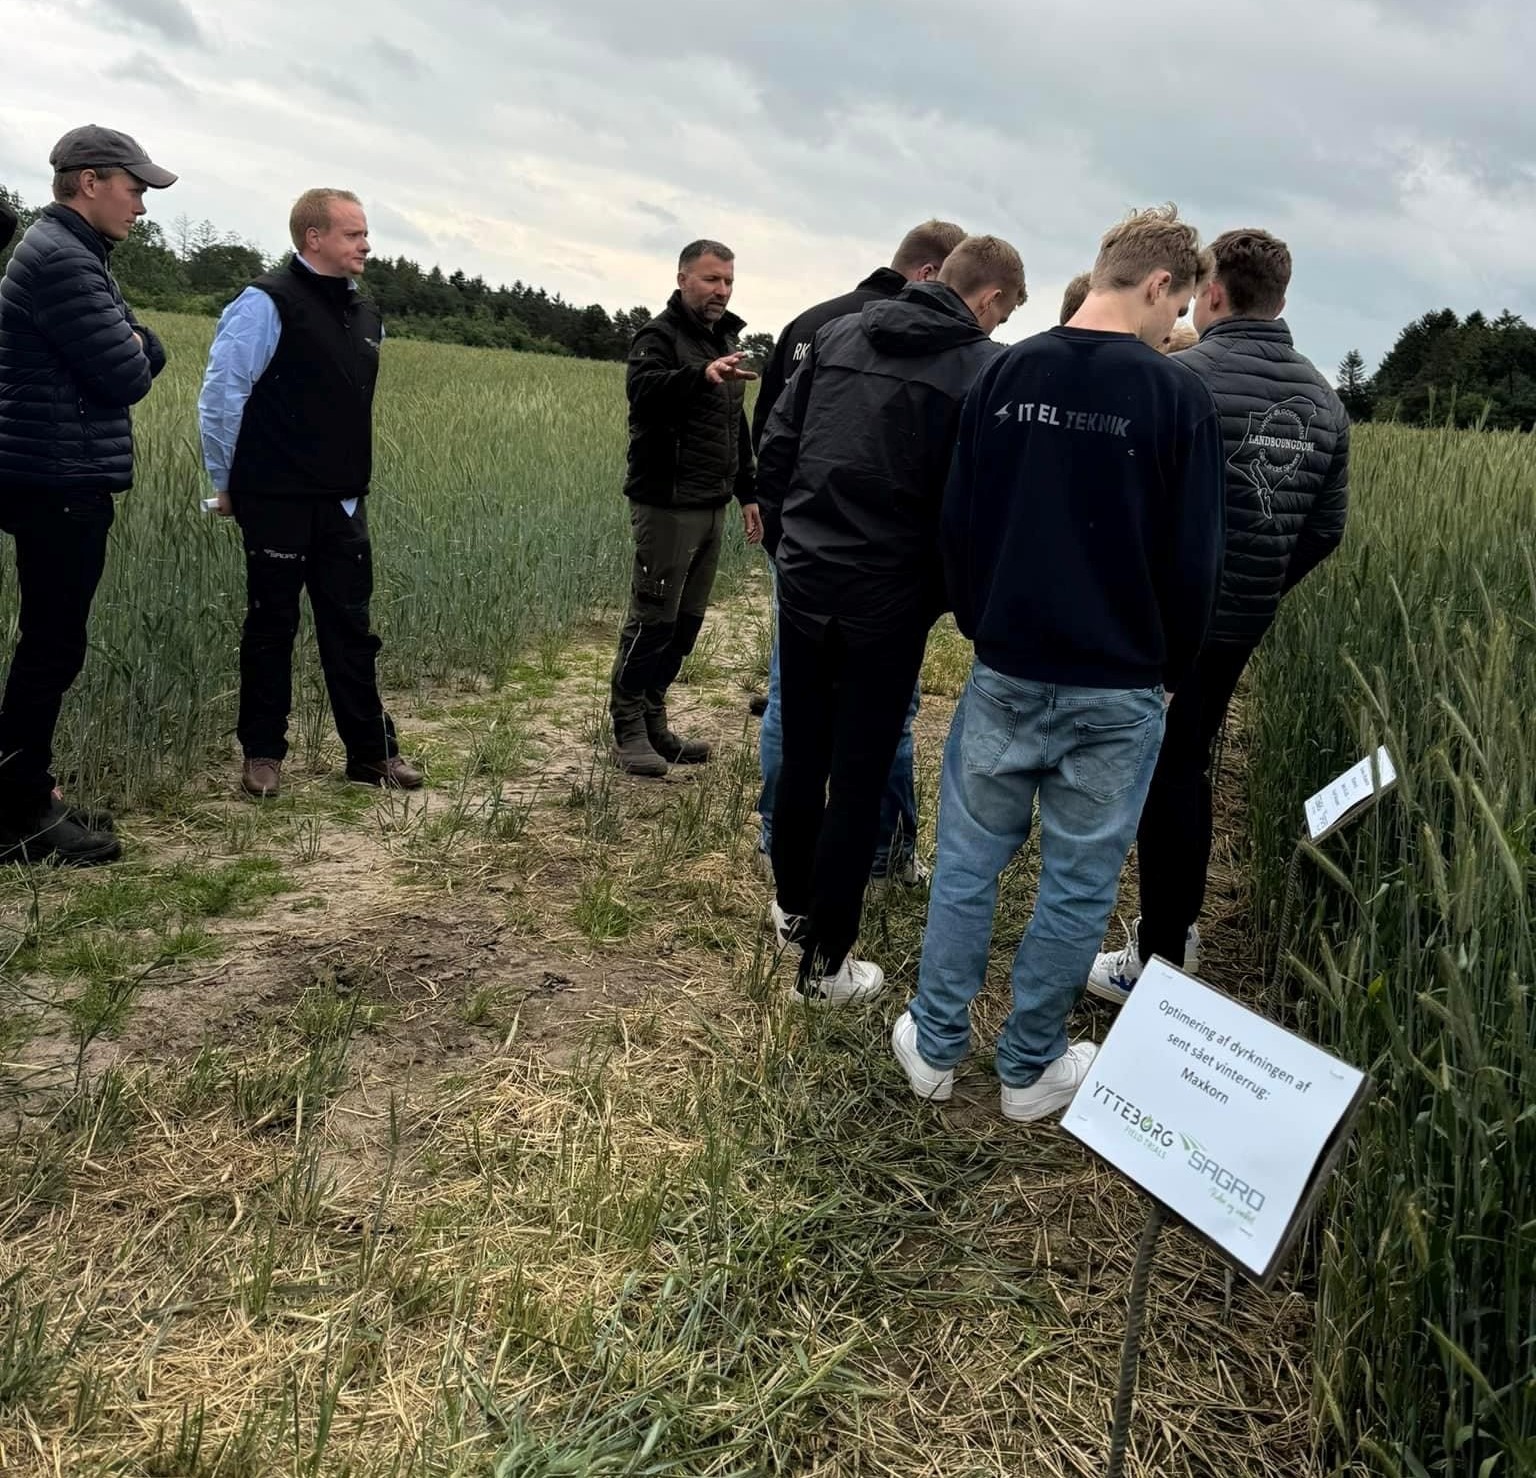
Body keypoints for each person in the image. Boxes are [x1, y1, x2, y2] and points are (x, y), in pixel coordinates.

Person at [893, 205, 1225, 1121]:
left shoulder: (1005, 372)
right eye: (1177, 307)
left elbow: (958, 521)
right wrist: (1172, 667)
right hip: (1119, 685)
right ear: (1158, 283)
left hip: (1008, 667)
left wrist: (983, 622)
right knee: (1078, 882)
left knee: (968, 862)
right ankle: (1031, 1068)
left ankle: (935, 1045)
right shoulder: (1176, 398)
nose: (1174, 323)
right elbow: (1196, 559)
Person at [755, 235, 1025, 1004]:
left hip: (807, 581)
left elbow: (778, 446)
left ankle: (793, 907)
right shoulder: (983, 370)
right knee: (860, 774)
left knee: (804, 753)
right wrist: (946, 597)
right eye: (1005, 312)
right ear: (990, 299)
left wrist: (789, 548)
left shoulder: (839, 334)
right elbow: (975, 508)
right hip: (889, 601)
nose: (999, 325)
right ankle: (825, 966)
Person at [1088, 228, 1350, 1003]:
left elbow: (1127, 503)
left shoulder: (1177, 378)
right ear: (1282, 299)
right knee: (1189, 759)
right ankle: (1174, 928)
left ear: (1210, 294)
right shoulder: (1324, 402)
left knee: (1163, 771)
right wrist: (1261, 584)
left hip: (1160, 620)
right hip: (1240, 621)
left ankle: (1161, 951)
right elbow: (1325, 530)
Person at [752, 220, 966, 884]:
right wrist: (931, 592)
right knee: (883, 725)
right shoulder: (956, 354)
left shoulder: (812, 324)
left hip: (806, 562)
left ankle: (779, 846)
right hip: (886, 587)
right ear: (931, 274)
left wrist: (788, 546)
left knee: (792, 706)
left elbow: (771, 440)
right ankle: (884, 851)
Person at [199, 188, 422, 799]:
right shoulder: (265, 302)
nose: (366, 245)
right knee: (271, 627)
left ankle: (371, 754)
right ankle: (263, 754)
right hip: (274, 497)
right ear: (313, 237)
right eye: (354, 234)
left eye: (365, 233)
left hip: (344, 500)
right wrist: (224, 481)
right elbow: (222, 396)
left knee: (352, 629)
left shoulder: (366, 314)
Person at [0, 125, 177, 865]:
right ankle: (20, 815)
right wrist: (138, 343)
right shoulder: (65, 261)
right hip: (58, 476)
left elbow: (135, 345)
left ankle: (24, 794)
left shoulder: (73, 252)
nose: (141, 205)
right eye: (134, 188)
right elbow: (128, 371)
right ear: (90, 182)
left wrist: (137, 341)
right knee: (51, 645)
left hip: (55, 469)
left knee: (51, 642)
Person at [609, 239, 762, 776]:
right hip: (667, 502)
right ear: (682, 279)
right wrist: (700, 375)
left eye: (728, 281)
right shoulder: (658, 337)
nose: (722, 290)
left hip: (712, 501)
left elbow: (732, 423)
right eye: (711, 279)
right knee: (653, 619)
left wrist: (747, 491)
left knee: (685, 624)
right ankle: (628, 728)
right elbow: (643, 392)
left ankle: (654, 718)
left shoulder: (723, 339)